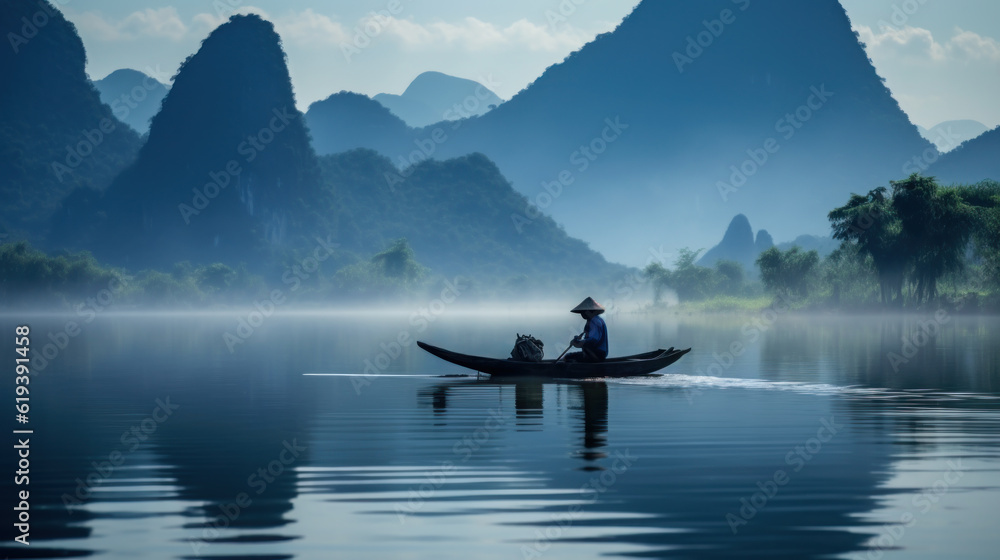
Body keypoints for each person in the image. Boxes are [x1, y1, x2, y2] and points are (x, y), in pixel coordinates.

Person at [564, 297, 608, 363]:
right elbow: (588, 337)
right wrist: (577, 339)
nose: (582, 314)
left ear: (587, 312)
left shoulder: (595, 321)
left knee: (568, 358)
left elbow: (592, 340)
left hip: (596, 354)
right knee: (568, 357)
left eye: (582, 312)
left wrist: (577, 343)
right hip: (596, 354)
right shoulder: (593, 320)